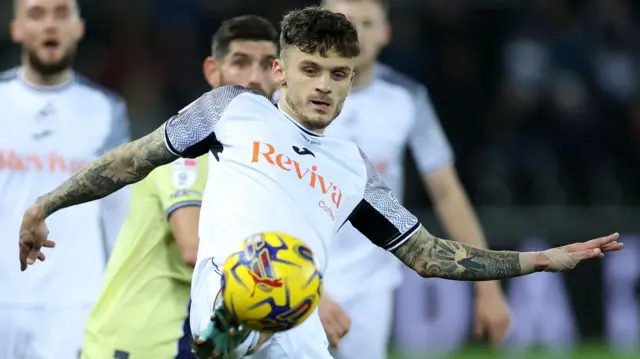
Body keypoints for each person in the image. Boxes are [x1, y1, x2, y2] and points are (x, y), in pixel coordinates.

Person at [17, 6, 622, 359]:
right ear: (280, 72)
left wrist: (538, 260)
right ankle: (224, 334)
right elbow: (131, 160)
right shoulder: (231, 110)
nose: (324, 85)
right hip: (223, 306)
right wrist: (46, 203)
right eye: (310, 70)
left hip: (299, 327)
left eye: (339, 74)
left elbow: (430, 255)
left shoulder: (352, 167)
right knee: (232, 311)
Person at [316, 0, 511, 356]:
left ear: (386, 33)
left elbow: (447, 193)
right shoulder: (281, 96)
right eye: (341, 21)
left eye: (366, 22)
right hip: (297, 272)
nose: (353, 33)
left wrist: (489, 286)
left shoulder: (407, 99)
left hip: (370, 284)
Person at [79, 15, 280, 359]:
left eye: (266, 65)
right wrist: (289, 291)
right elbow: (193, 246)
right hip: (139, 341)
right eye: (240, 63)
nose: (254, 79)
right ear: (212, 71)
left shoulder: (255, 164)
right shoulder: (185, 149)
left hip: (187, 341)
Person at [0, 0, 131, 357]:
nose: (50, 25)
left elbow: (119, 215)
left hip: (75, 305)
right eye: (37, 14)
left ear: (78, 27)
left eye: (61, 14)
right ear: (16, 29)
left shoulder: (107, 111)